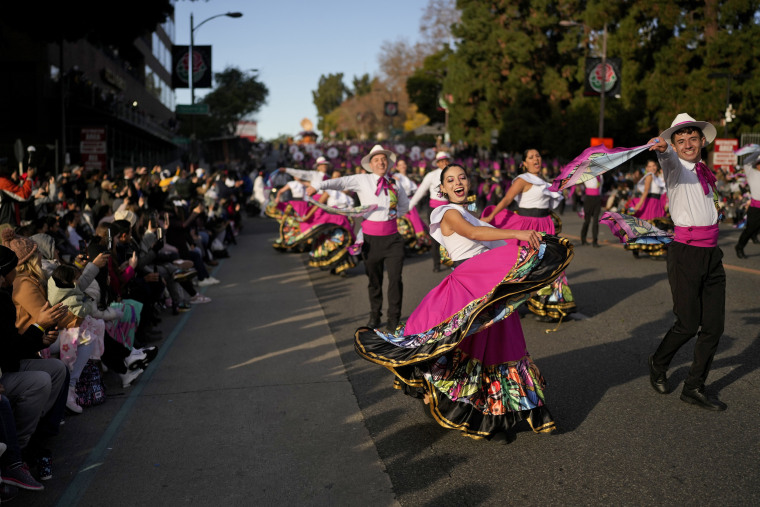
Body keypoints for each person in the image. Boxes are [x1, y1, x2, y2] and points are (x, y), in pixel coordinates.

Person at [354, 164, 574, 439]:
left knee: (498, 347)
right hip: (468, 284)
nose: (457, 182)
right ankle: (452, 398)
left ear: (468, 183)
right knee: (456, 343)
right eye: (450, 180)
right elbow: (475, 235)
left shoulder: (469, 213)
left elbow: (488, 238)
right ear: (442, 189)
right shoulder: (448, 212)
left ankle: (497, 412)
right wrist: (517, 234)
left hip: (488, 284)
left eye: (462, 177)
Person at [646, 113, 727, 411]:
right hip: (686, 254)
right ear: (676, 146)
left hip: (712, 254)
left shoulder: (705, 169)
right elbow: (668, 160)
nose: (687, 144)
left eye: (692, 138)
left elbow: (713, 202)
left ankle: (694, 387)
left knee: (714, 327)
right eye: (680, 141)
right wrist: (664, 150)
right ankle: (658, 362)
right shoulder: (676, 168)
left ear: (702, 140)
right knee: (688, 323)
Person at [306, 145, 409, 331]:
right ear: (370, 164)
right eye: (376, 159)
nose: (381, 162)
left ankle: (394, 318)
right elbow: (339, 183)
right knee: (374, 281)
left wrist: (390, 218)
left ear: (388, 162)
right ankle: (375, 316)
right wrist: (317, 186)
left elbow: (404, 206)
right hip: (371, 240)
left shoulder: (395, 183)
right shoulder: (362, 180)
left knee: (395, 280)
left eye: (383, 159)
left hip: (393, 239)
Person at [481, 148, 575, 324]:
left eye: (538, 155)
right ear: (524, 163)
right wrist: (491, 217)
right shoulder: (523, 180)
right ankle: (511, 301)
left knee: (552, 263)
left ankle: (555, 304)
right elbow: (507, 200)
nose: (536, 159)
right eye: (531, 157)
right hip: (528, 226)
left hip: (544, 224)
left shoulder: (545, 182)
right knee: (526, 265)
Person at [408, 151, 451, 271]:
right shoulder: (431, 175)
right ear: (437, 163)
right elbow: (421, 191)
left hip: (449, 208)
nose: (444, 163)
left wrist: (469, 207)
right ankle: (436, 264)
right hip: (434, 209)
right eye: (441, 161)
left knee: (451, 235)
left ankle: (452, 261)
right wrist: (410, 205)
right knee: (435, 237)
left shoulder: (454, 173)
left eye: (446, 160)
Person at [626, 159, 669, 258]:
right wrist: (638, 205)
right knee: (649, 226)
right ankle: (638, 248)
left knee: (656, 226)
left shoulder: (657, 177)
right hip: (650, 203)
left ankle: (653, 249)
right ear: (646, 168)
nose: (652, 168)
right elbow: (645, 192)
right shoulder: (649, 176)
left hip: (657, 203)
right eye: (649, 166)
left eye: (653, 165)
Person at [735, 157, 760, 259]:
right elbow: (746, 162)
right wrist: (757, 151)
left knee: (755, 227)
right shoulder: (751, 173)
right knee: (749, 229)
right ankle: (739, 247)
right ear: (756, 164)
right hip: (755, 208)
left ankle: (754, 234)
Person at [579, 175, 603, 247]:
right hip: (589, 199)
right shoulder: (586, 174)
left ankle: (595, 241)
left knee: (596, 221)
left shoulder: (600, 176)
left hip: (597, 199)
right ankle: (583, 239)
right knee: (587, 221)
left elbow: (600, 187)